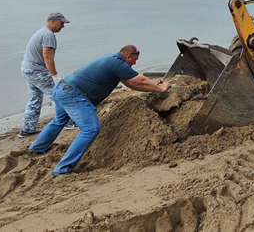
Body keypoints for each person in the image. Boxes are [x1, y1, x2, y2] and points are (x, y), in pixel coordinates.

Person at [29, 45, 171, 176]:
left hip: (61, 88)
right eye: (134, 60)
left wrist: (154, 87)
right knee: (91, 129)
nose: (134, 64)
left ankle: (36, 149)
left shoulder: (111, 60)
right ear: (128, 56)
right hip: (73, 94)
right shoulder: (117, 63)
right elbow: (140, 80)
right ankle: (63, 168)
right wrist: (162, 89)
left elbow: (132, 84)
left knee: (59, 120)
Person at [19, 13, 70, 138]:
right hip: (37, 71)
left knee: (34, 99)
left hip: (27, 69)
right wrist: (55, 77)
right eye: (61, 23)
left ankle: (27, 129)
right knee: (59, 95)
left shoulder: (41, 32)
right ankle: (70, 122)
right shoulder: (48, 35)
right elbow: (47, 57)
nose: (63, 26)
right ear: (53, 21)